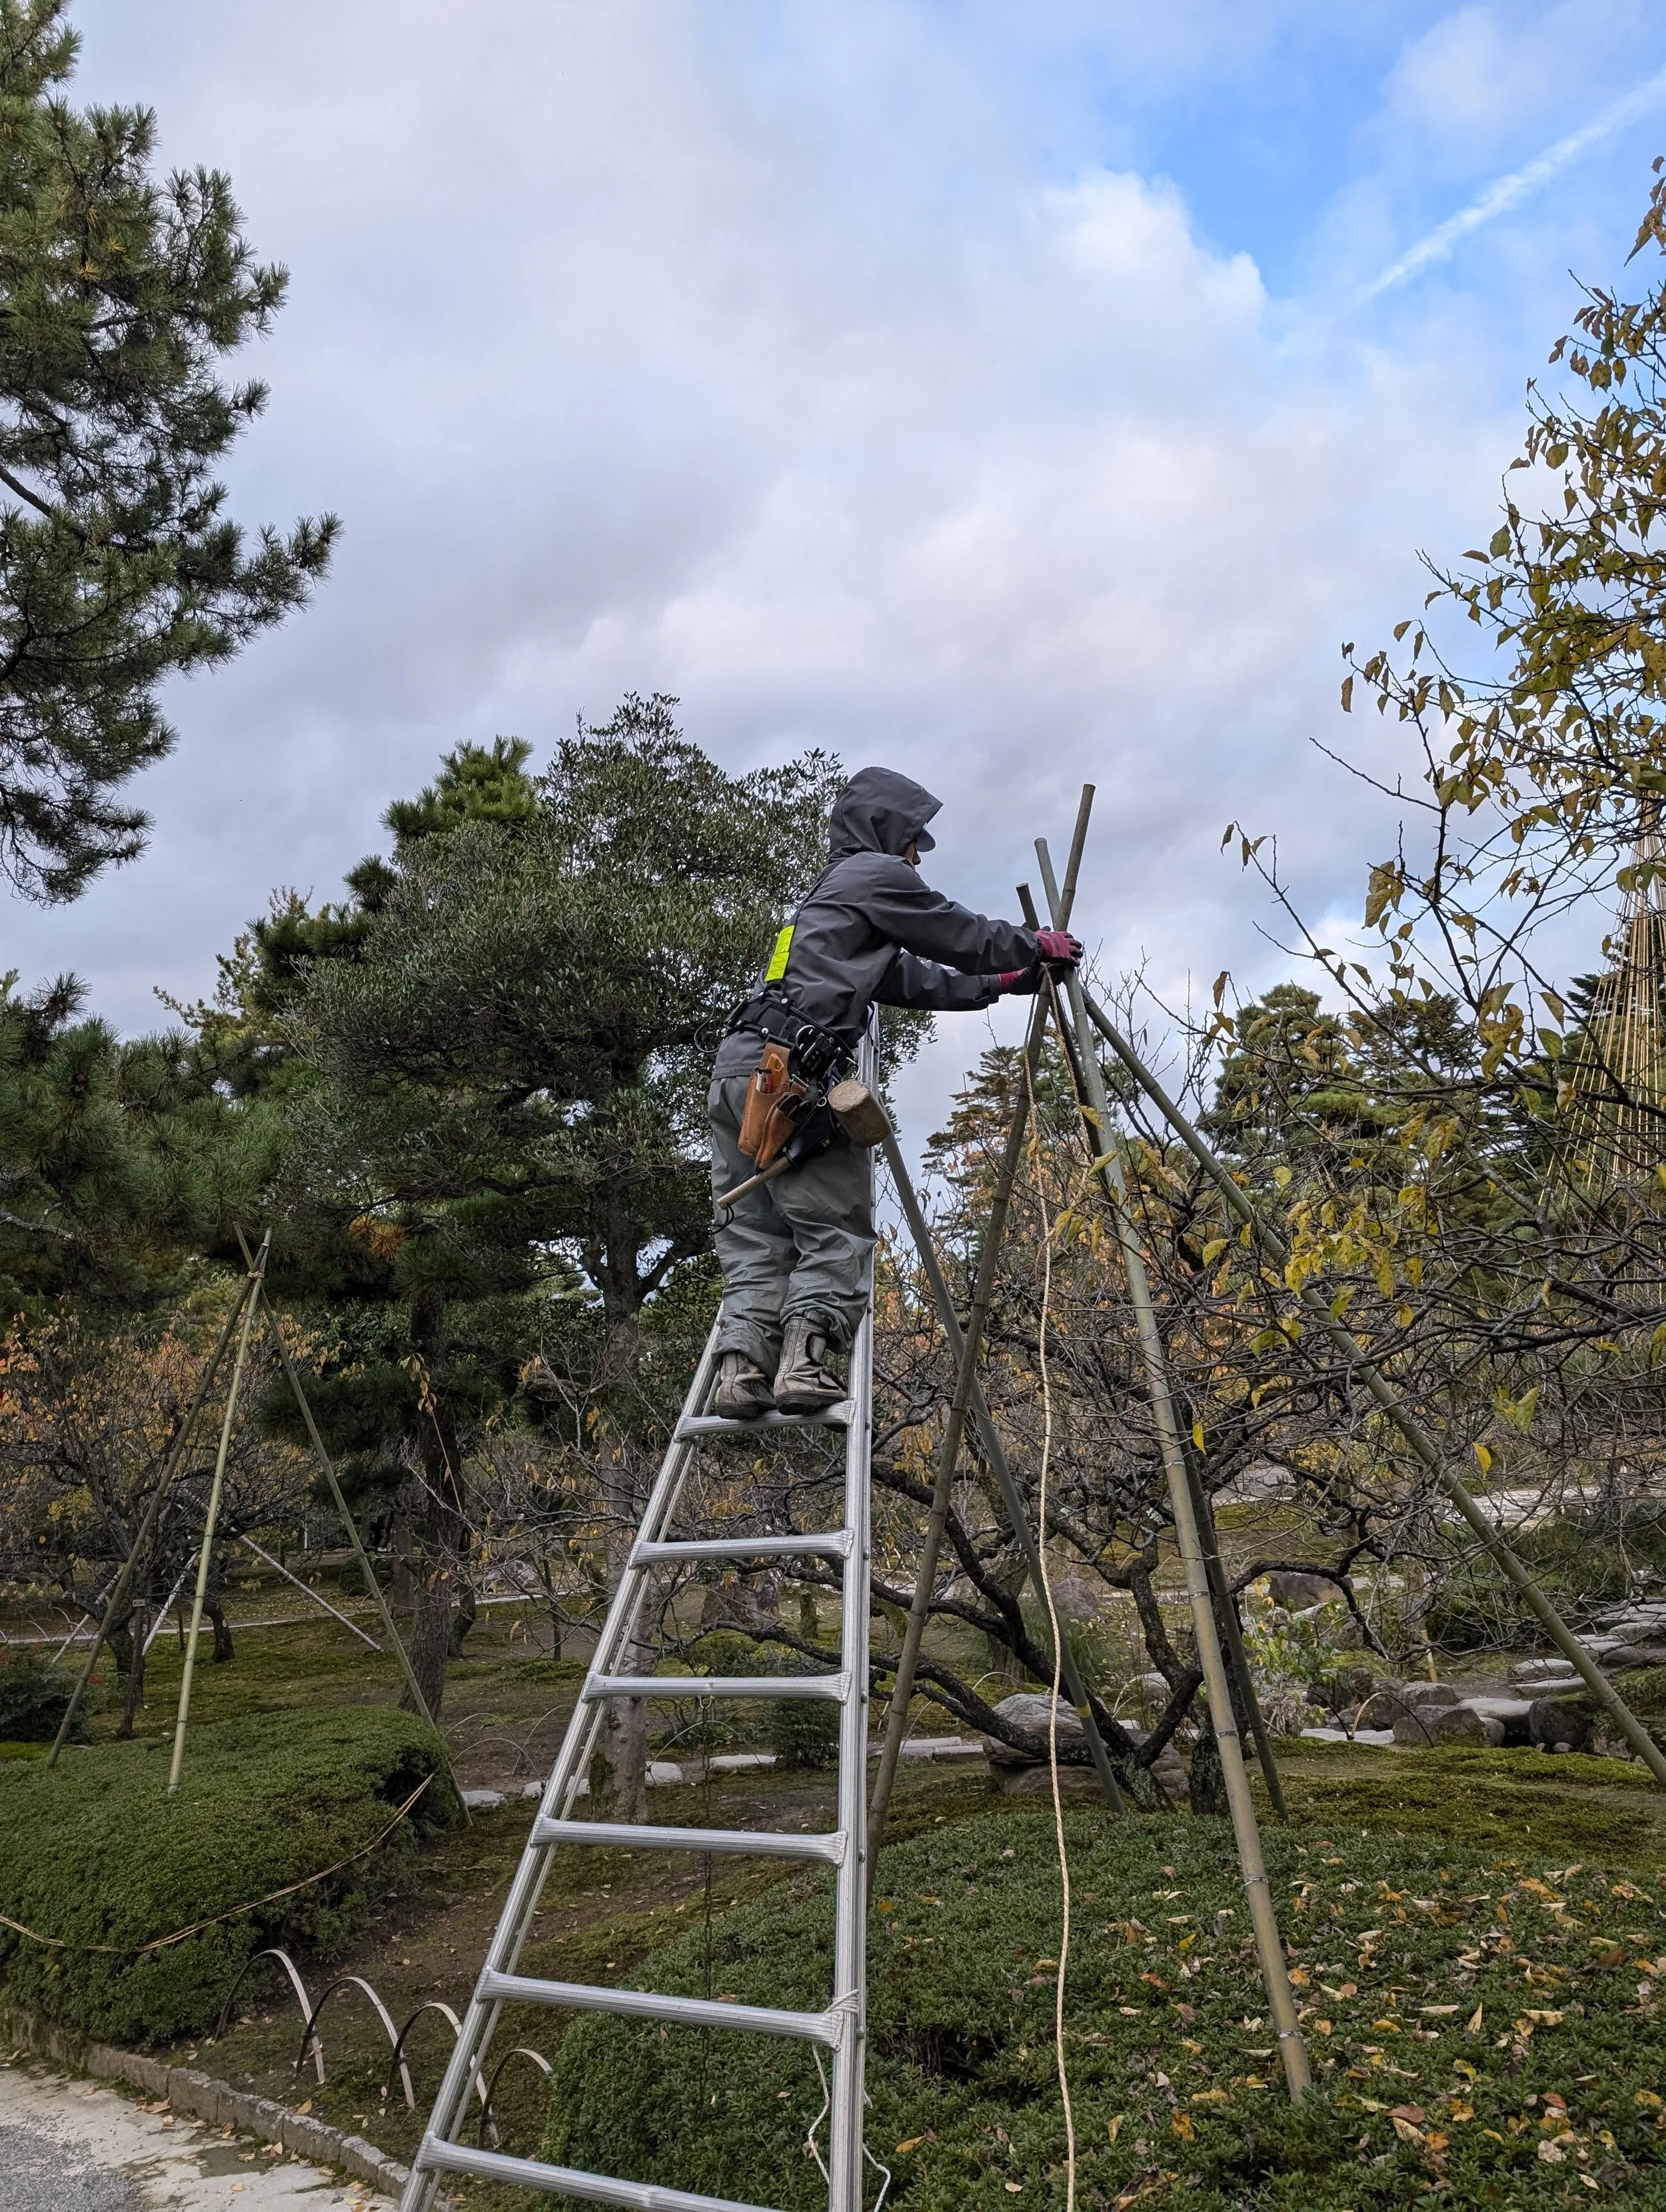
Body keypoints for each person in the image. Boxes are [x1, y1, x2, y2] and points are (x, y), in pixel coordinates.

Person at [708, 765, 1081, 1418]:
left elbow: (912, 978)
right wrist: (1032, 945)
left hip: (739, 1074)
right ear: (886, 830)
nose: (916, 857)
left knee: (757, 1236)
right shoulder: (875, 875)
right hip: (793, 1080)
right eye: (913, 840)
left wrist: (1002, 982)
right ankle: (803, 1365)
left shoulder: (822, 907)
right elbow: (960, 934)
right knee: (831, 1225)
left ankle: (739, 1372)